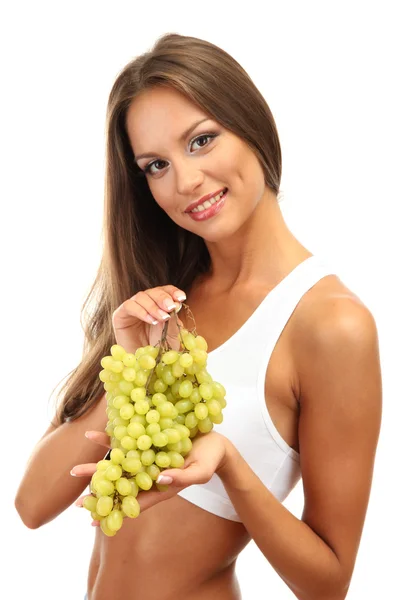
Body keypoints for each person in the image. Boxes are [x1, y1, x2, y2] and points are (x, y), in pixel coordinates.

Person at [14, 33, 382, 600]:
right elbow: (33, 505)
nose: (185, 182)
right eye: (156, 165)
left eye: (202, 141)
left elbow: (328, 583)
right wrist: (129, 370)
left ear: (252, 125)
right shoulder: (160, 299)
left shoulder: (331, 326)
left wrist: (230, 467)